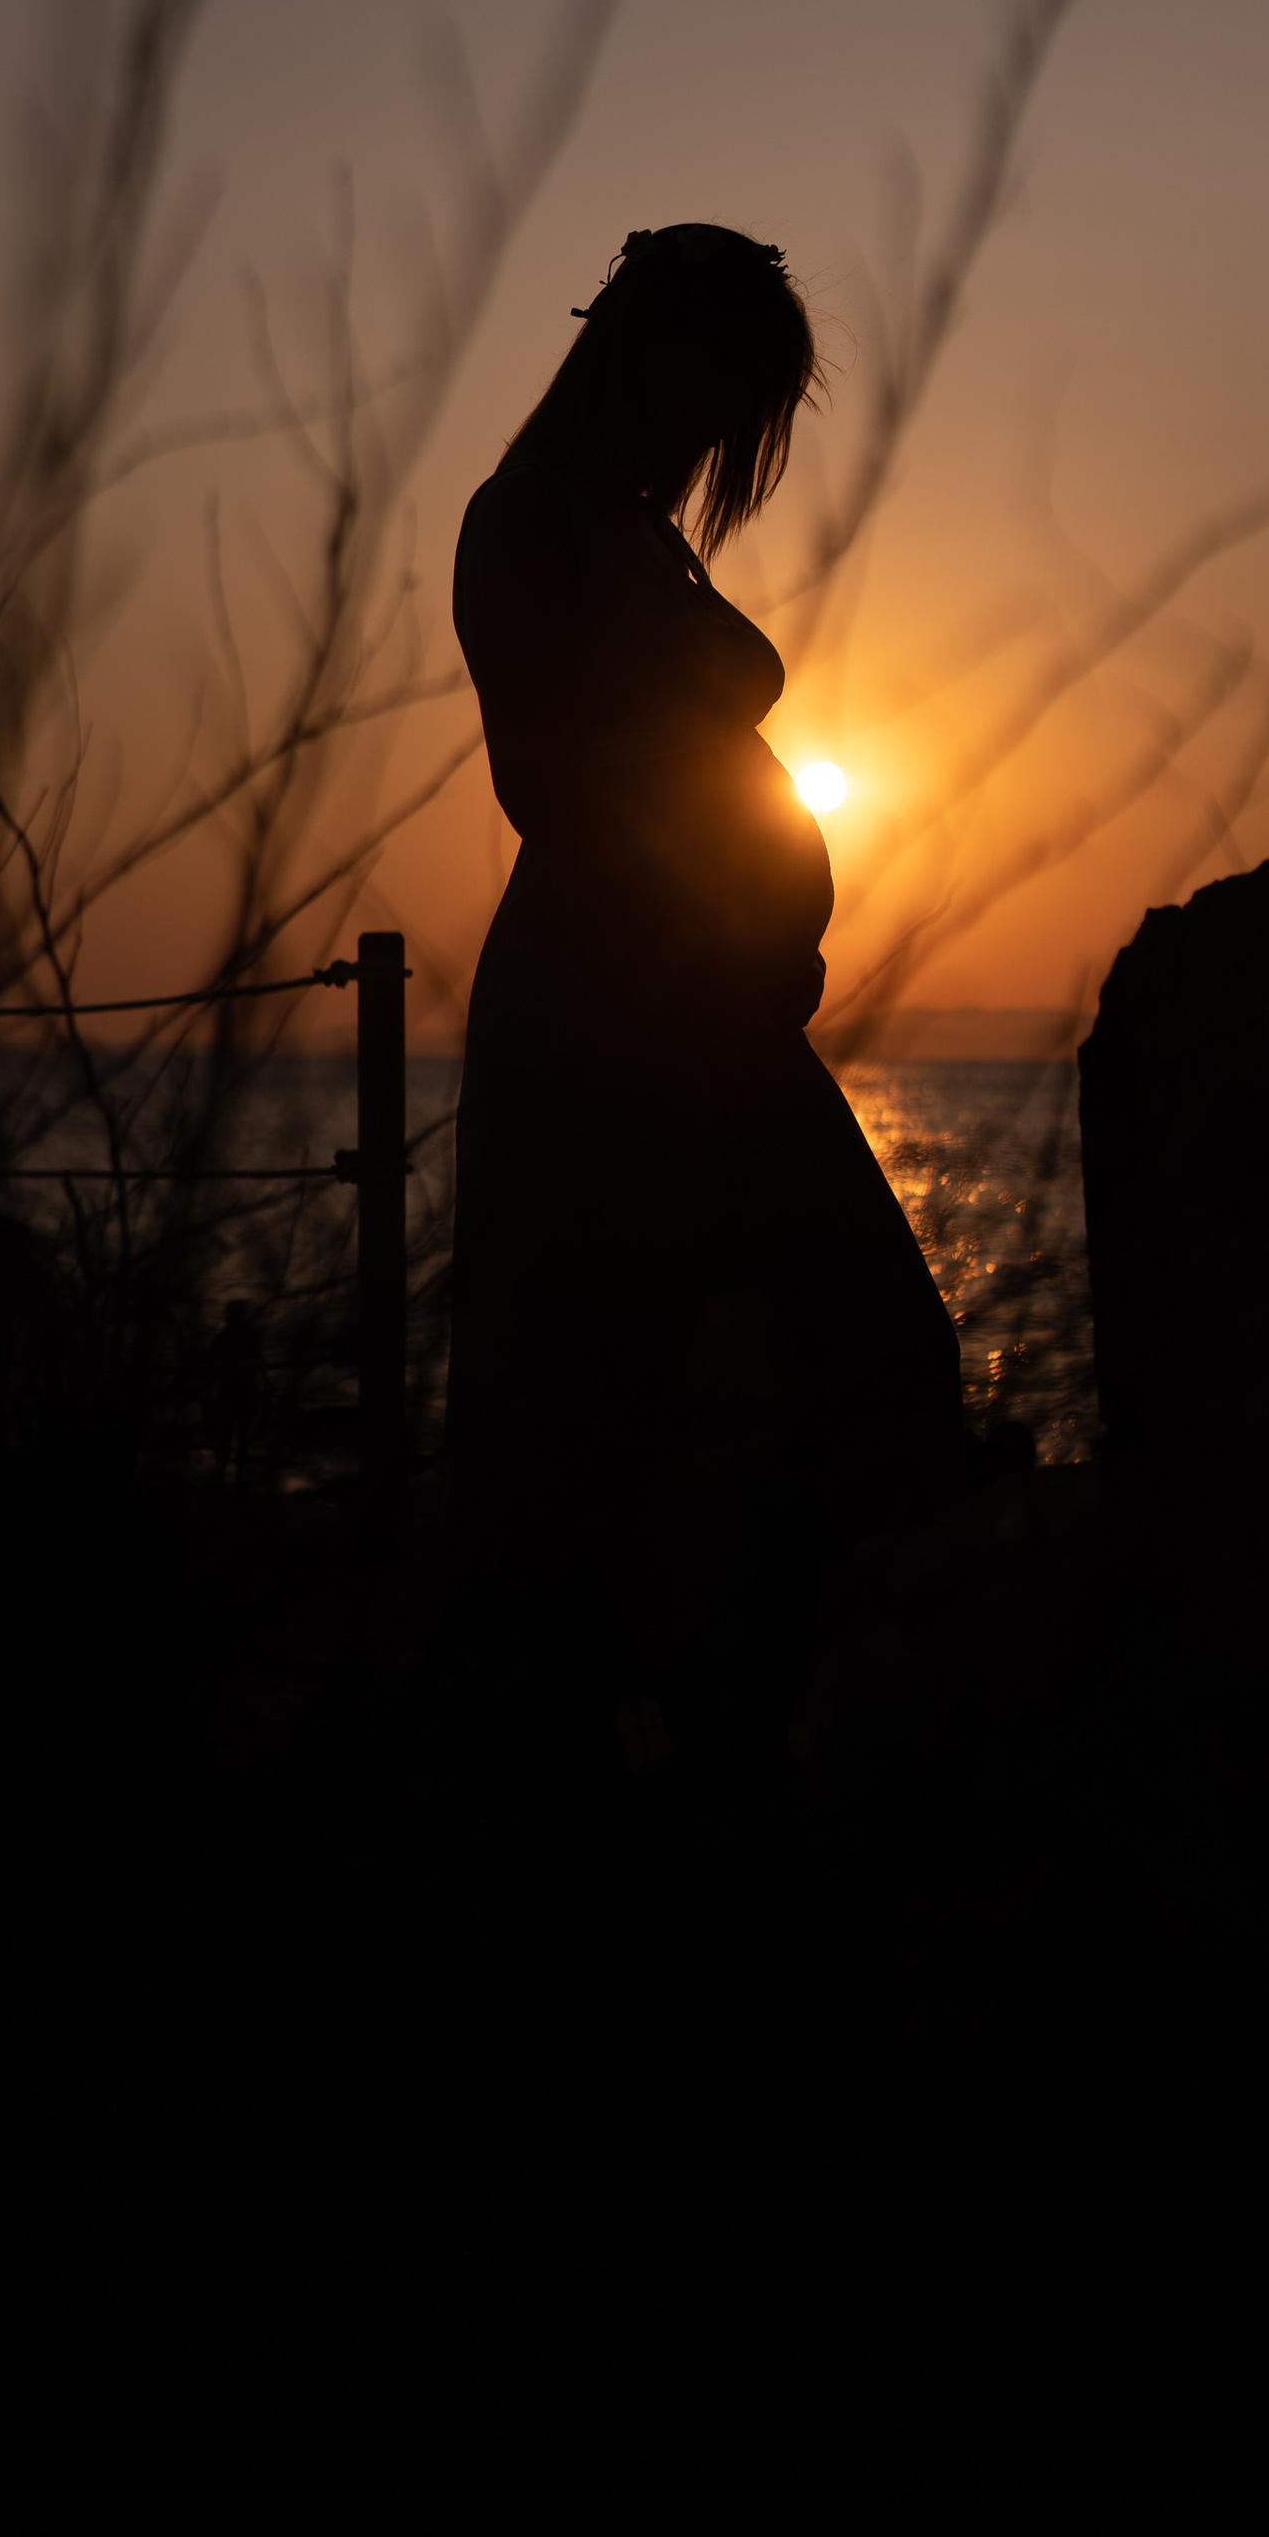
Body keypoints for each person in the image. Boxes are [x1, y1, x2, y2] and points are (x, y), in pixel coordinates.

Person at [447, 222, 964, 1753]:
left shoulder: (631, 531)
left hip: (703, 1012)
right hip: (622, 1017)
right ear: (643, 350)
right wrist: (716, 927)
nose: (731, 429)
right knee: (622, 1390)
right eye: (725, 381)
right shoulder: (533, 519)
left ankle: (752, 1714)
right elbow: (556, 782)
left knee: (782, 1372)